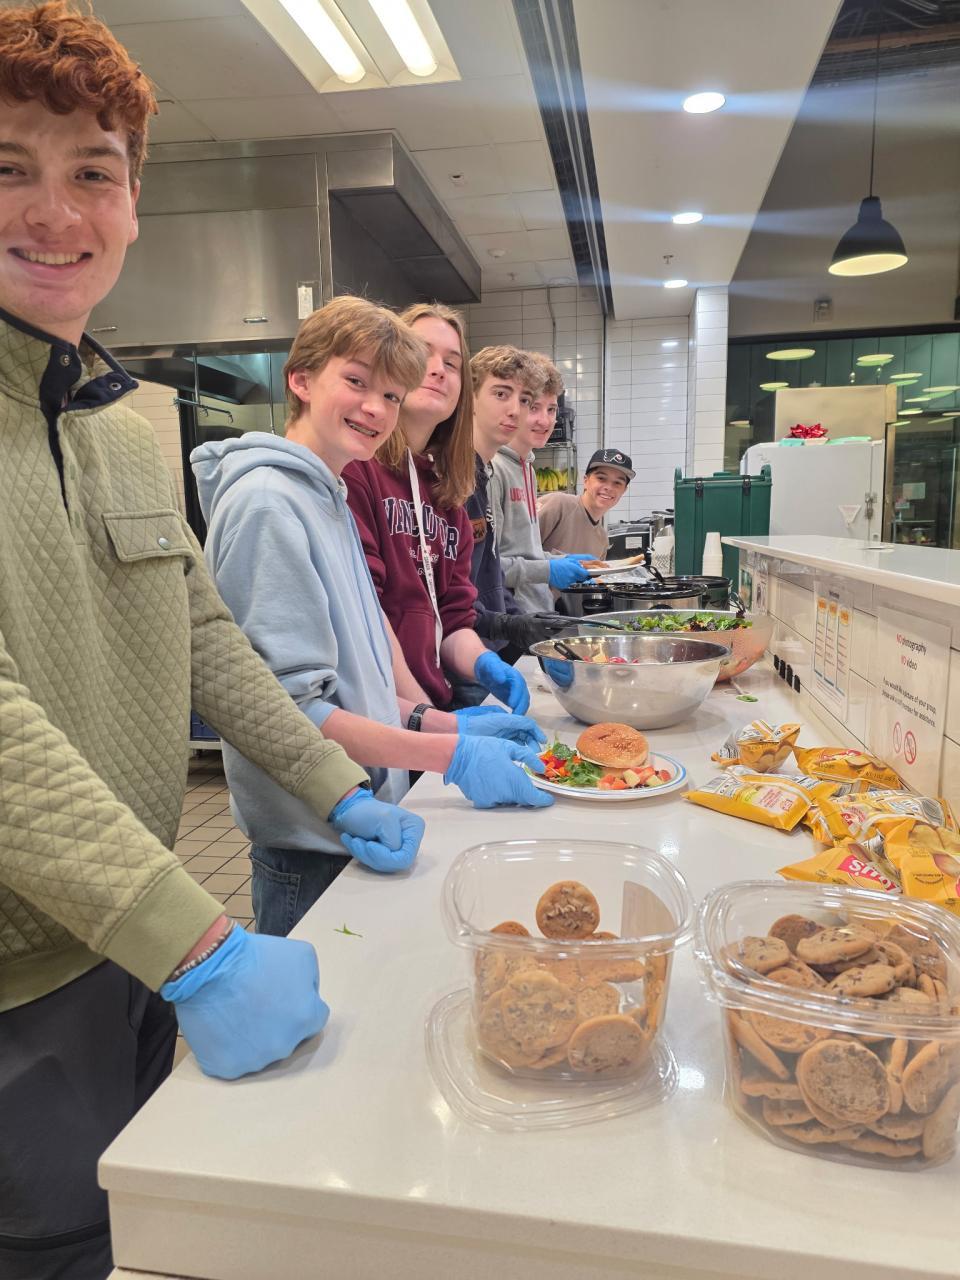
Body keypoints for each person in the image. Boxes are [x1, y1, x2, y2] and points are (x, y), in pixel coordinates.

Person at [0, 6, 400, 1275]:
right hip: (21, 975)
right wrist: (202, 941)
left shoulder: (128, 419)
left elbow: (205, 633)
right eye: (7, 167)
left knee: (131, 1233)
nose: (54, 212)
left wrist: (342, 785)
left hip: (135, 941)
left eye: (92, 172)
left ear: (132, 205)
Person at [193, 297, 552, 933]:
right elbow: (288, 711)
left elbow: (359, 670)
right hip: (312, 835)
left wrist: (435, 721)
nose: (376, 408)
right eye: (356, 382)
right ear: (301, 380)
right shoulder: (268, 505)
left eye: (390, 394)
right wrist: (450, 753)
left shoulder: (328, 495)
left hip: (359, 813)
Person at [344, 303, 530, 715]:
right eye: (421, 352)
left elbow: (454, 618)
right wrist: (427, 720)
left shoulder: (449, 495)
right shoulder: (356, 469)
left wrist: (483, 663)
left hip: (430, 704)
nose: (438, 370)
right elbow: (363, 616)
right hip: (377, 710)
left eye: (452, 363)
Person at [489, 351, 596, 611]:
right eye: (534, 407)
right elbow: (486, 567)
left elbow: (523, 551)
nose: (544, 421)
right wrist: (548, 570)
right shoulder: (493, 469)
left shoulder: (528, 469)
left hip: (538, 611)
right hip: (511, 618)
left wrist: (558, 560)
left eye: (551, 409)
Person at [538, 447, 635, 561]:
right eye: (601, 478)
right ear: (585, 481)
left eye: (617, 483)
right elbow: (519, 550)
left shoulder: (602, 540)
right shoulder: (558, 505)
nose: (609, 487)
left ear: (624, 490)